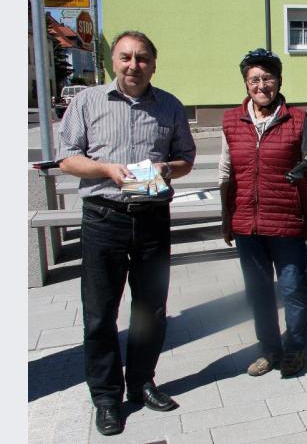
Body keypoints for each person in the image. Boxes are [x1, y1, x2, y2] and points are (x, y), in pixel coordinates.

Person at [57, 31, 195, 435]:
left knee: (150, 309)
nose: (134, 65)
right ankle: (105, 398)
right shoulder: (87, 101)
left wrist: (168, 169)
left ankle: (141, 383)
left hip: (152, 216)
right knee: (101, 313)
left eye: (142, 58)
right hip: (104, 217)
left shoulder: (169, 105)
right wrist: (107, 170)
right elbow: (67, 158)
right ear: (112, 62)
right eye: (126, 57)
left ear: (154, 63)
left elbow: (185, 158)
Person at [218, 49, 307, 379]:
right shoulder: (232, 121)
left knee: (292, 288)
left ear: (278, 81)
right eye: (254, 79)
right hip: (247, 224)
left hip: (288, 221)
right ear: (246, 83)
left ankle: (294, 349)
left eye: (267, 78)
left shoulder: (296, 120)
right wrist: (226, 217)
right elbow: (225, 171)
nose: (261, 85)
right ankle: (269, 350)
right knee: (259, 291)